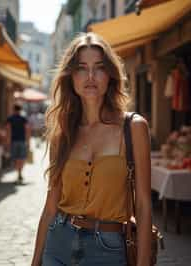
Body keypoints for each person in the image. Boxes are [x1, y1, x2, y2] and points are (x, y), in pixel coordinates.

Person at [31, 32, 152, 266]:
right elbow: (50, 207)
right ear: (71, 77)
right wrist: (36, 261)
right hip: (58, 245)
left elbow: (144, 205)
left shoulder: (133, 127)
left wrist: (144, 261)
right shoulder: (63, 131)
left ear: (110, 75)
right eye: (81, 68)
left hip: (108, 249)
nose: (90, 76)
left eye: (98, 67)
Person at [6, 104, 31, 183]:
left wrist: (8, 142)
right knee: (22, 158)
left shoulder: (10, 119)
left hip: (14, 141)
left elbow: (8, 131)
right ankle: (20, 173)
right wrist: (28, 141)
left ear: (13, 109)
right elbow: (27, 130)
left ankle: (18, 173)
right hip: (22, 141)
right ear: (20, 110)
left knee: (15, 158)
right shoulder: (23, 119)